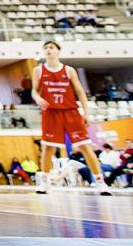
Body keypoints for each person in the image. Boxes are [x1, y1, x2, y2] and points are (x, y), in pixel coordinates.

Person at [31, 41, 111, 195]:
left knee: (85, 147)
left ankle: (100, 182)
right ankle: (45, 182)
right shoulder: (38, 70)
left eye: (51, 47)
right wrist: (38, 98)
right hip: (51, 112)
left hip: (70, 111)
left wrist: (86, 113)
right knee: (48, 148)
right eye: (46, 48)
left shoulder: (69, 70)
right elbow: (34, 91)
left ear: (58, 51)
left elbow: (80, 92)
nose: (48, 50)